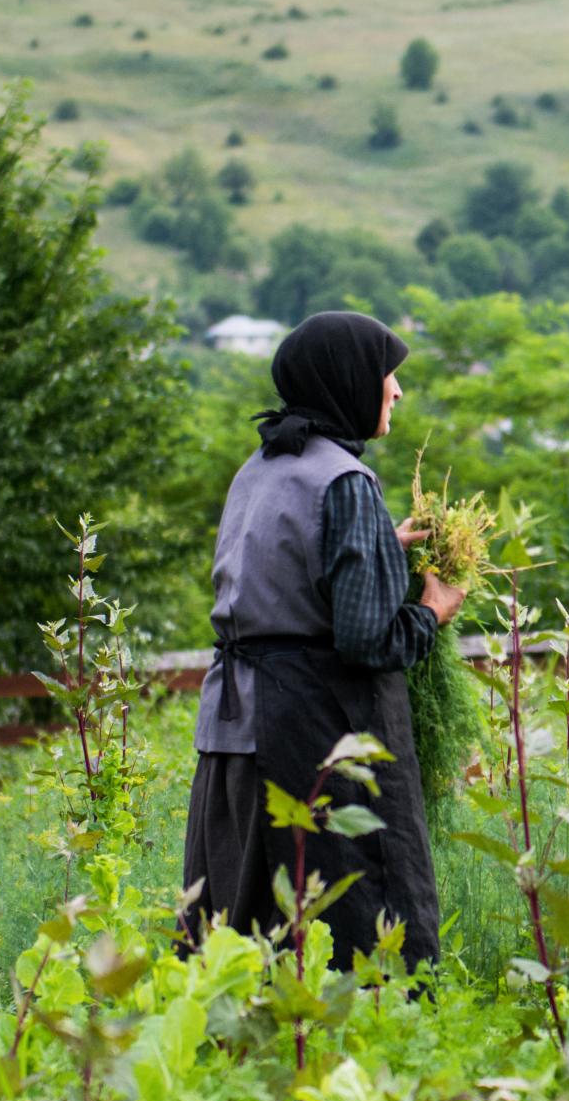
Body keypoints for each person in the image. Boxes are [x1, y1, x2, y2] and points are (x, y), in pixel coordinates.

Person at [179, 310, 466, 973]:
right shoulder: (345, 479)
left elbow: (279, 572)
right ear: (348, 380)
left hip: (233, 726)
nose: (394, 390)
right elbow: (368, 640)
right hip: (312, 733)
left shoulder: (262, 464)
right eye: (386, 373)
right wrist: (432, 609)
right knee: (346, 908)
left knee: (244, 910)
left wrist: (375, 546)